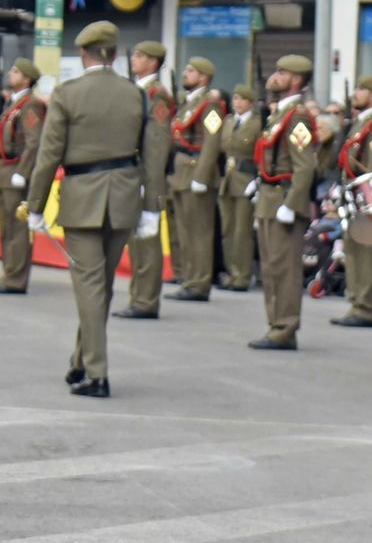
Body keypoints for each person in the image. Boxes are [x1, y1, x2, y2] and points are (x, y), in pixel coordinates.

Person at [25, 21, 170, 397]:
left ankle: (97, 373)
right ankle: (81, 361)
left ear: (83, 53)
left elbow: (49, 154)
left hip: (83, 196)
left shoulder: (68, 93)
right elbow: (154, 154)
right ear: (116, 54)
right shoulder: (136, 95)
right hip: (124, 196)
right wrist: (153, 208)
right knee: (99, 287)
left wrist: (35, 204)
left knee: (90, 286)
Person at [249, 55, 318, 351]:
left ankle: (285, 327)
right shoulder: (280, 114)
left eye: (281, 73)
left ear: (296, 80)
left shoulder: (298, 116)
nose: (274, 77)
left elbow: (305, 166)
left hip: (283, 200)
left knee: (284, 269)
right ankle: (275, 324)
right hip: (270, 197)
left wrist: (292, 202)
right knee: (271, 268)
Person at [117, 41, 176, 318]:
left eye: (140, 56)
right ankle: (138, 296)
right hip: (132, 173)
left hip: (145, 175)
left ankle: (146, 300)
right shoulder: (138, 91)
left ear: (153, 62)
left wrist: (150, 184)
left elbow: (157, 143)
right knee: (136, 242)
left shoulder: (156, 95)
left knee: (147, 242)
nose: (134, 60)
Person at [331, 75, 372, 328]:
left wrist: (367, 191)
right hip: (352, 191)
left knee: (365, 250)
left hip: (366, 193)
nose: (355, 93)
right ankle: (356, 301)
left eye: (362, 89)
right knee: (353, 247)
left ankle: (365, 307)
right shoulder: (361, 121)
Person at [0, 59, 47, 295]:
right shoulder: (14, 104)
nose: (10, 75)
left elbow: (34, 143)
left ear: (27, 78)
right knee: (7, 229)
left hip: (15, 173)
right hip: (5, 172)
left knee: (17, 229)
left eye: (15, 72)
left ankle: (15, 278)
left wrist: (23, 172)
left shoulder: (30, 105)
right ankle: (9, 273)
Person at [167, 57, 225, 302]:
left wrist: (202, 175)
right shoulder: (187, 104)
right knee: (185, 230)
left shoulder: (209, 106)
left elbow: (212, 142)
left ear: (203, 77)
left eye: (190, 71)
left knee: (199, 231)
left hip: (196, 169)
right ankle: (189, 277)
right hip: (181, 171)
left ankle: (199, 283)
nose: (185, 73)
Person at [217, 84, 262, 292]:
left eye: (242, 99)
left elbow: (260, 154)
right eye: (235, 98)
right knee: (227, 228)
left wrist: (257, 178)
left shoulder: (257, 123)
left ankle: (242, 275)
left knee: (242, 230)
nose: (237, 102)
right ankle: (230, 272)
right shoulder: (228, 121)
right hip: (228, 178)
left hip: (245, 178)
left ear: (250, 103)